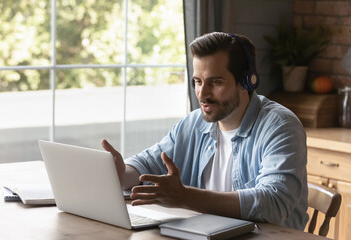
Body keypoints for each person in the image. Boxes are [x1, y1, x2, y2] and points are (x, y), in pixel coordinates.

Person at [101, 32, 309, 230]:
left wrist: (185, 197)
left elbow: (274, 203)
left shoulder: (280, 126)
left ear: (247, 81)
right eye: (197, 82)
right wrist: (121, 175)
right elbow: (148, 163)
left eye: (215, 82)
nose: (202, 93)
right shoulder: (193, 123)